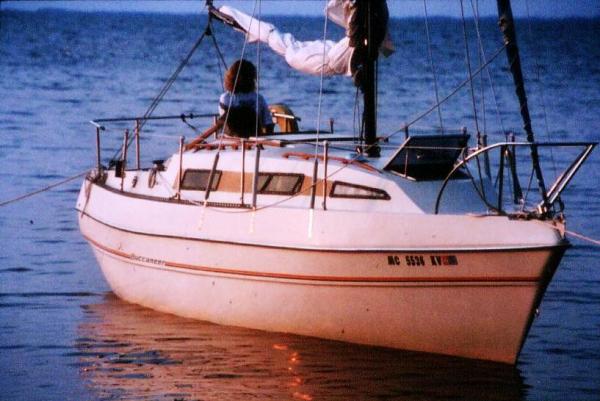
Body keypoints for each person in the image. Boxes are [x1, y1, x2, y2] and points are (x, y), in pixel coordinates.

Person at [185, 59, 273, 150]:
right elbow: (268, 124)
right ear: (252, 78)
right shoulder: (258, 98)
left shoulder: (225, 98)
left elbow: (224, 121)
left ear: (231, 77)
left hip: (230, 141)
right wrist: (267, 143)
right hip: (254, 141)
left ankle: (190, 145)